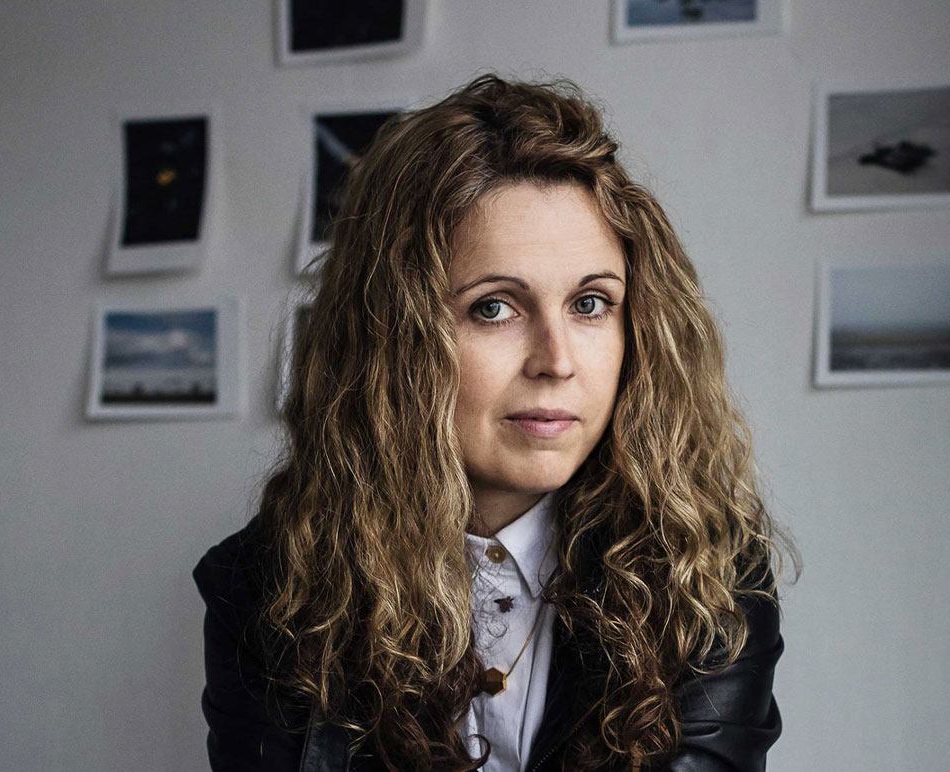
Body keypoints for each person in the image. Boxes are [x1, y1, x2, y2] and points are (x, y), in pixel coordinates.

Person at [193, 73, 793, 772]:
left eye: (591, 304)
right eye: (494, 308)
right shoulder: (263, 587)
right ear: (395, 339)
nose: (557, 360)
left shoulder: (709, 573)